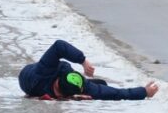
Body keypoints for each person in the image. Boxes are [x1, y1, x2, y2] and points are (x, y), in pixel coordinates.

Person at [18, 39, 159, 101]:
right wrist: (144, 92)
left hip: (57, 73)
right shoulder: (42, 73)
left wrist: (83, 61)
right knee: (99, 88)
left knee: (99, 87)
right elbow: (58, 45)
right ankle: (94, 85)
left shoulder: (79, 84)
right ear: (64, 96)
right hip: (28, 76)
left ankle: (93, 84)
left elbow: (59, 45)